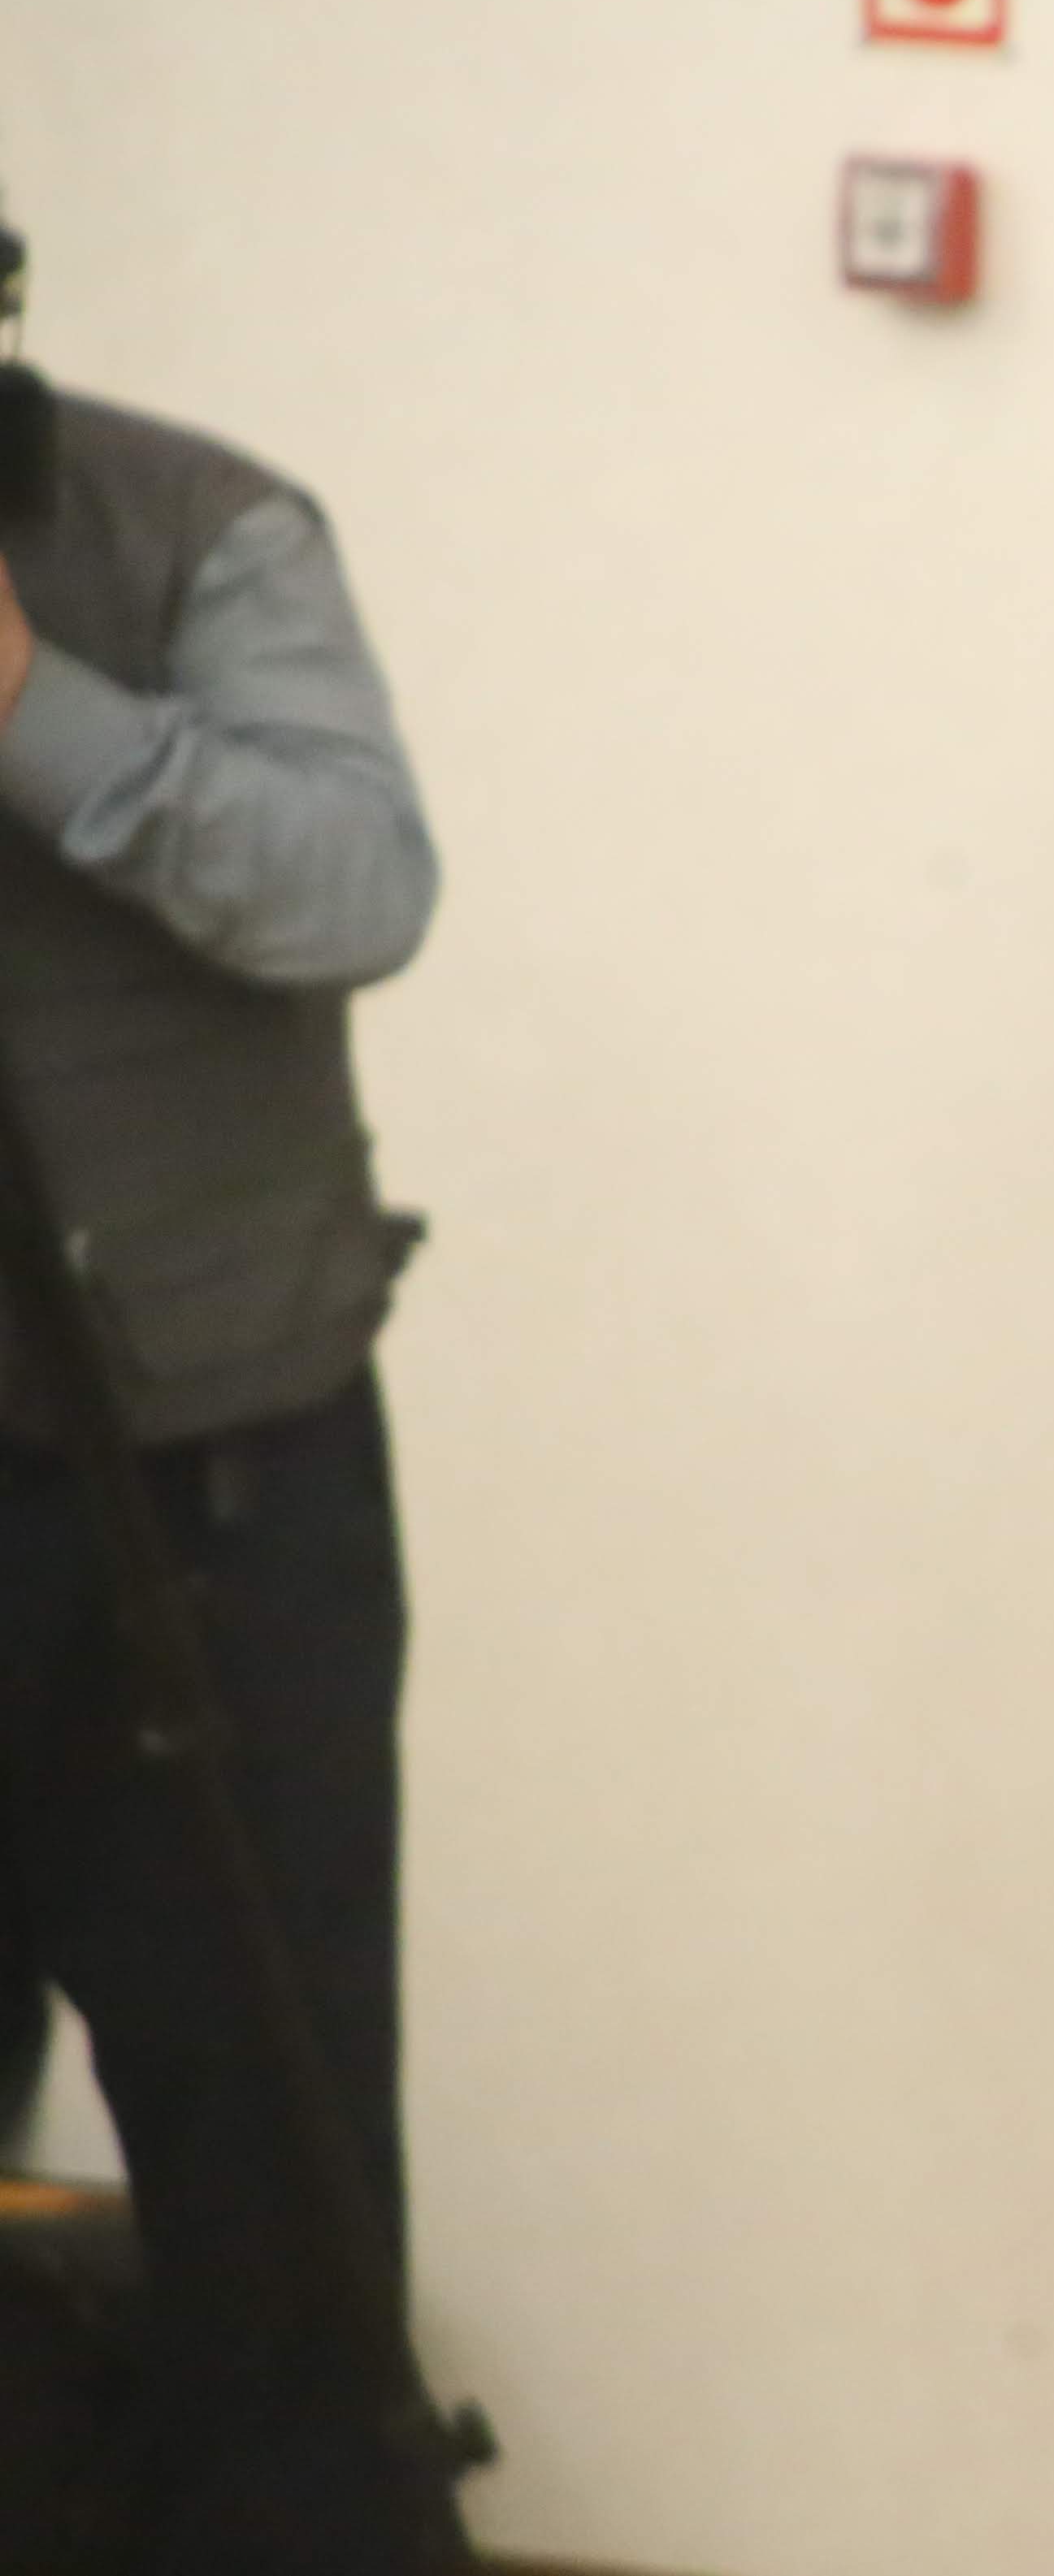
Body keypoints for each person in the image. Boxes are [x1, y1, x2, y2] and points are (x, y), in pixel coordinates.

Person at [0, 216, 443, 2570]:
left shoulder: (197, 526)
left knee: (274, 2161)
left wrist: (31, 702)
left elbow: (350, 883)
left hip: (218, 1488)